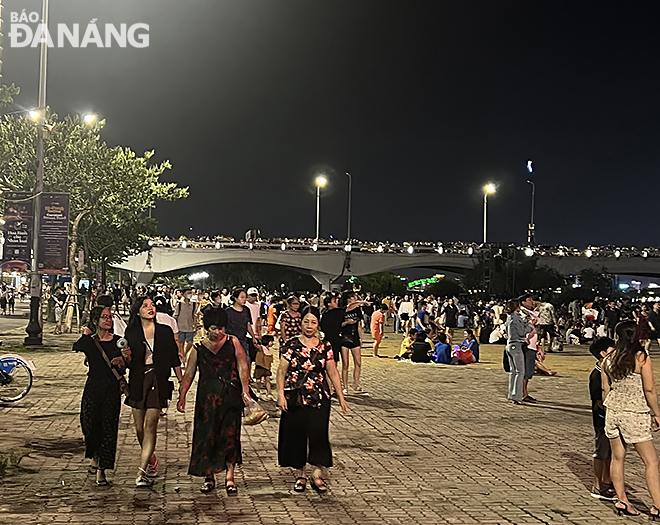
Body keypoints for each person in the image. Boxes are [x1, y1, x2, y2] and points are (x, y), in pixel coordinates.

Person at [177, 307, 250, 494]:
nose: (218, 332)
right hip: (206, 399)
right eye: (214, 328)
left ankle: (230, 477)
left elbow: (243, 366)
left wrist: (245, 391)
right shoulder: (198, 347)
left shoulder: (233, 342)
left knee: (230, 436)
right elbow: (189, 374)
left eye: (221, 328)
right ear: (206, 327)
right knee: (207, 437)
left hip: (230, 396)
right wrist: (182, 396)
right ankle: (209, 477)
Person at [276, 306, 348, 494]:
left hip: (319, 397)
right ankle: (300, 474)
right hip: (295, 396)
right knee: (296, 434)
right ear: (301, 323)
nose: (309, 326)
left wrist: (341, 397)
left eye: (313, 322)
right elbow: (281, 371)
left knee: (318, 433)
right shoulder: (291, 344)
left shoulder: (325, 345)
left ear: (318, 324)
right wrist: (280, 394)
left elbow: (332, 371)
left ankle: (317, 473)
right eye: (306, 321)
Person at [601, 320, 660, 518]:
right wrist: (657, 413)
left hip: (613, 410)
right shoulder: (641, 357)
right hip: (635, 412)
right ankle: (658, 505)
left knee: (618, 457)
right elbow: (649, 389)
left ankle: (622, 500)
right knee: (651, 461)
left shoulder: (608, 358)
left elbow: (605, 389)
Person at [124, 296, 182, 487]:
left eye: (152, 305)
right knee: (139, 428)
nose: (150, 308)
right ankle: (151, 459)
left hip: (158, 380)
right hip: (138, 381)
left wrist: (182, 383)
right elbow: (129, 363)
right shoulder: (131, 332)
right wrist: (126, 358)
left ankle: (141, 471)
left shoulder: (164, 331)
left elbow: (174, 359)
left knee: (150, 425)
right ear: (137, 311)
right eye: (145, 306)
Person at [74, 306, 126, 486]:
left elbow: (126, 364)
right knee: (88, 422)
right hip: (93, 386)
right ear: (96, 320)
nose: (108, 320)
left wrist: (123, 361)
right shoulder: (88, 341)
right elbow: (81, 350)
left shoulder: (119, 342)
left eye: (110, 317)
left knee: (108, 427)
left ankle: (102, 469)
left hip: (111, 389)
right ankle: (95, 455)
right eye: (104, 317)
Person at [589, 337, 616, 501]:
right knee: (602, 452)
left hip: (612, 418)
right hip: (602, 420)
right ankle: (599, 485)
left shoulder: (609, 371)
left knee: (612, 453)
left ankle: (608, 480)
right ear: (603, 353)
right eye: (613, 351)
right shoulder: (597, 375)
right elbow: (599, 401)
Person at [504, 299, 532, 405]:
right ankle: (517, 396)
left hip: (509, 345)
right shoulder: (515, 317)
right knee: (520, 372)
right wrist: (529, 327)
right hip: (516, 345)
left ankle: (512, 394)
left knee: (513, 371)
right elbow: (521, 333)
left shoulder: (509, 317)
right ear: (517, 307)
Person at [226, 288, 261, 366]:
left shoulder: (246, 310)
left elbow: (248, 324)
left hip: (243, 339)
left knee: (246, 359)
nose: (244, 299)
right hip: (230, 341)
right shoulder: (228, 311)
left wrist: (253, 337)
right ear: (235, 298)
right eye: (242, 297)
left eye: (245, 297)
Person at [339, 292, 366, 395]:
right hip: (344, 337)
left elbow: (359, 325)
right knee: (345, 364)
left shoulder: (357, 310)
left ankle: (356, 384)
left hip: (355, 336)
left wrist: (360, 338)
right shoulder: (342, 310)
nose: (355, 299)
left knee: (358, 362)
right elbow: (339, 325)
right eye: (353, 297)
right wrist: (347, 322)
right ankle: (344, 387)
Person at [173, 289, 198, 366]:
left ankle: (185, 355)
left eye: (190, 293)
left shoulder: (193, 304)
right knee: (181, 344)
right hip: (180, 327)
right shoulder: (179, 304)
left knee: (190, 343)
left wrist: (195, 325)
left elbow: (194, 315)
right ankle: (182, 359)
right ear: (184, 294)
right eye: (188, 293)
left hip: (190, 327)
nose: (190, 295)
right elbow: (175, 315)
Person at [254, 334, 276, 399]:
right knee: (258, 380)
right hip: (260, 366)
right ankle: (258, 391)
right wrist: (255, 340)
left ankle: (269, 392)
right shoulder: (261, 348)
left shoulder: (269, 351)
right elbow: (256, 346)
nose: (272, 343)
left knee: (268, 380)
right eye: (271, 341)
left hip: (267, 368)